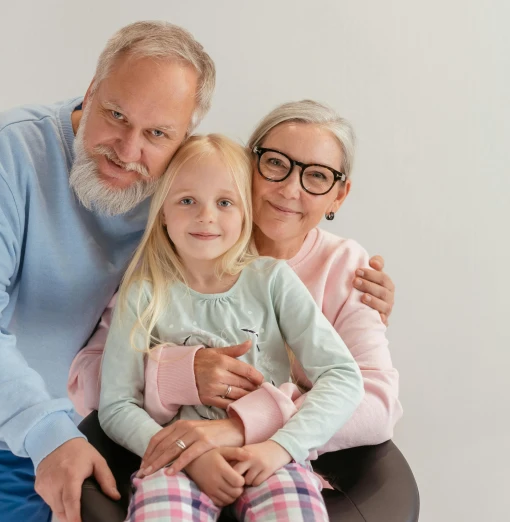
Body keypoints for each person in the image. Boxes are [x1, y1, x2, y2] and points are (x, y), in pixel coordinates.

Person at [0, 19, 393, 521]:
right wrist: (169, 381)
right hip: (14, 438)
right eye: (115, 115)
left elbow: (362, 391)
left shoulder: (205, 206)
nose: (129, 151)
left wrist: (240, 426)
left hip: (157, 450)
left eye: (156, 133)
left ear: (183, 138)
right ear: (91, 89)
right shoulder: (12, 152)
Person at [69, 101, 401, 488]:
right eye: (277, 163)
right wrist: (177, 374)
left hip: (275, 463)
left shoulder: (351, 269)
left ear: (338, 196)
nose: (291, 188)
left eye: (317, 176)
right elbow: (88, 379)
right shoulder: (169, 255)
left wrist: (239, 426)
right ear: (248, 165)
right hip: (180, 464)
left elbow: (377, 404)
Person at [98, 133, 363, 521]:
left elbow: (342, 376)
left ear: (245, 214)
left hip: (267, 455)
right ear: (163, 211)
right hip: (178, 464)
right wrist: (190, 455)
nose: (206, 216)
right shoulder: (142, 294)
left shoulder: (272, 280)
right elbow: (117, 405)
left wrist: (281, 448)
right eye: (187, 201)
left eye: (225, 203)